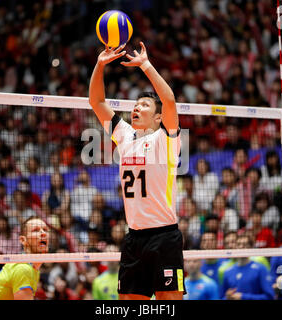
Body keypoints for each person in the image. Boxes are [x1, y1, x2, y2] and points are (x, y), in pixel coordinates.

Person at [88, 42, 184, 300]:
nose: (136, 107)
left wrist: (145, 65)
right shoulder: (125, 136)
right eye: (136, 104)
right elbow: (96, 101)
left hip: (164, 237)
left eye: (144, 105)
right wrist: (100, 65)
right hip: (134, 239)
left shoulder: (166, 140)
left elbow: (169, 100)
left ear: (158, 118)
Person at [0, 216, 49, 300]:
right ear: (23, 240)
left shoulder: (31, 268)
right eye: (35, 230)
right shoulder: (23, 269)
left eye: (45, 230)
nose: (43, 233)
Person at [220, 234, 275, 300]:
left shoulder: (260, 269)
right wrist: (227, 297)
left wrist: (243, 297)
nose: (241, 247)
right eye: (238, 244)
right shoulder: (228, 272)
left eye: (245, 244)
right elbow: (222, 297)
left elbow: (270, 296)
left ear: (251, 247)